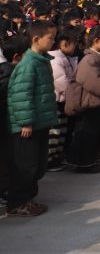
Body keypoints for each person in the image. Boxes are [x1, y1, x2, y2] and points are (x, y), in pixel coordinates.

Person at [5, 22, 58, 217]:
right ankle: (17, 202)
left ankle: (29, 198)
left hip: (39, 122)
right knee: (25, 165)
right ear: (36, 39)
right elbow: (21, 95)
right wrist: (25, 122)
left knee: (37, 164)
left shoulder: (41, 61)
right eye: (50, 38)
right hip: (27, 126)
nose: (53, 42)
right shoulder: (28, 64)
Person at [64, 25, 100, 173]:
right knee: (87, 135)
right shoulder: (89, 60)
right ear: (96, 40)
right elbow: (95, 83)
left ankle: (91, 160)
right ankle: (84, 164)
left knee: (96, 134)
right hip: (90, 104)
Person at [0, 36, 31, 206]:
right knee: (8, 159)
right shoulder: (9, 73)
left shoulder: (10, 71)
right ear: (17, 57)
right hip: (7, 124)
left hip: (8, 124)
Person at [48, 28, 80, 170]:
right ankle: (49, 160)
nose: (75, 47)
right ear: (64, 44)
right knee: (55, 132)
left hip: (64, 100)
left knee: (61, 131)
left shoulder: (64, 58)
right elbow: (62, 83)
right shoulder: (56, 60)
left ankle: (57, 157)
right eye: (73, 43)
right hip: (57, 100)